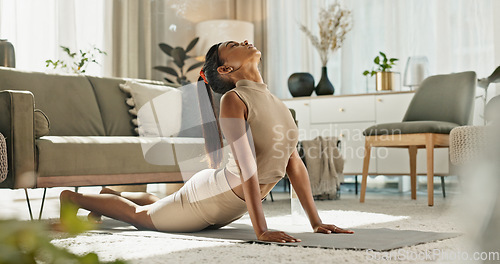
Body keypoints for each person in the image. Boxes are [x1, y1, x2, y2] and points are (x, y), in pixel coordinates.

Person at [59, 40, 353, 243]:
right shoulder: (233, 99)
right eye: (233, 46)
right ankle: (74, 199)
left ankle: (109, 194)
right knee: (143, 216)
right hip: (211, 197)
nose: (244, 41)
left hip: (220, 199)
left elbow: (294, 164)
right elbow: (247, 166)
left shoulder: (277, 103)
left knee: (163, 207)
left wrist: (316, 221)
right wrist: (261, 229)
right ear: (225, 70)